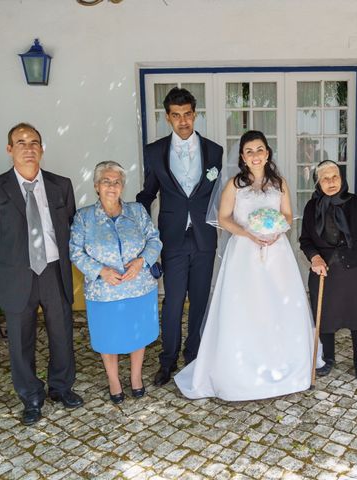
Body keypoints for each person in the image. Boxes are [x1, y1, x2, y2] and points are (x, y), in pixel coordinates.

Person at [175, 130, 319, 400]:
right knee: (245, 306)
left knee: (277, 304)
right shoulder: (234, 185)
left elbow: (287, 215)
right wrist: (249, 233)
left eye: (259, 149)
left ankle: (282, 363)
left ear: (267, 153)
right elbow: (224, 218)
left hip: (276, 252)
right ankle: (239, 368)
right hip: (243, 252)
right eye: (249, 151)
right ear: (242, 156)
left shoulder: (280, 184)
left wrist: (277, 231)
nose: (255, 155)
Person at [0, 123, 82, 425]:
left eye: (34, 142)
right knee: (21, 340)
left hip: (53, 270)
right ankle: (31, 396)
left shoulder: (61, 185)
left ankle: (61, 388)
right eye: (20, 142)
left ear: (42, 148)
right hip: (18, 273)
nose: (28, 147)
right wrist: (15, 259)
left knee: (61, 332)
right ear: (9, 149)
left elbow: (69, 225)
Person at [136, 87, 223, 386]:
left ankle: (195, 354)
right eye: (176, 116)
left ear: (195, 114)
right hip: (171, 238)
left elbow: (221, 195)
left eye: (187, 114)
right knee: (172, 302)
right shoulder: (154, 152)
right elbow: (147, 194)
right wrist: (139, 229)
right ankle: (167, 360)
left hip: (204, 238)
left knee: (200, 300)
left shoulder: (214, 151)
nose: (183, 121)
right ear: (167, 117)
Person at [70, 161, 162, 404]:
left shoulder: (137, 212)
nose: (112, 186)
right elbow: (75, 252)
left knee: (138, 334)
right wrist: (100, 271)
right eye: (106, 181)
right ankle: (113, 381)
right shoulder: (84, 218)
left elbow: (155, 239)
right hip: (104, 290)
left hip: (139, 287)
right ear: (96, 186)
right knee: (107, 337)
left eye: (117, 182)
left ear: (123, 186)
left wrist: (142, 261)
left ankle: (136, 377)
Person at [300, 160, 357, 379]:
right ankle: (329, 358)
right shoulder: (311, 207)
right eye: (325, 178)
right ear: (318, 182)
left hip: (355, 268)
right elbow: (305, 240)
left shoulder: (356, 203)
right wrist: (314, 257)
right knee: (325, 316)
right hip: (325, 271)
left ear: (342, 178)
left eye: (335, 176)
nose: (331, 182)